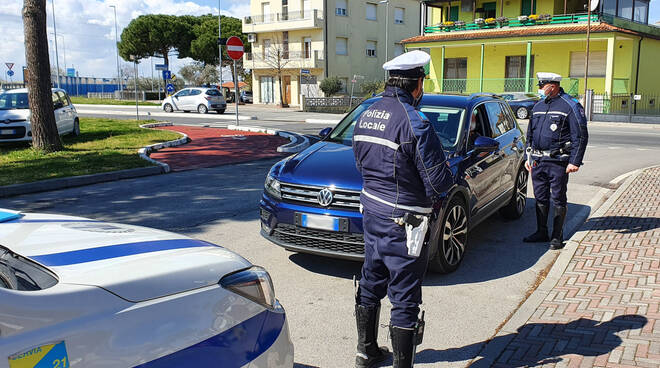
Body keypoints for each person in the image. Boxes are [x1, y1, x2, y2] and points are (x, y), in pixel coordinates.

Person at [351, 50, 453, 368]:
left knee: (371, 279)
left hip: (372, 214)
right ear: (416, 83)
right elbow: (440, 184)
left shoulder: (366, 113)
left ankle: (366, 352)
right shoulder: (415, 122)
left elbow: (360, 162)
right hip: (404, 222)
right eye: (423, 81)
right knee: (405, 294)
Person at [523, 72, 589, 250]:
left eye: (541, 86)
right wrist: (527, 156)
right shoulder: (538, 106)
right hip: (537, 161)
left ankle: (556, 236)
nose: (539, 89)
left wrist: (574, 161)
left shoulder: (570, 105)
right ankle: (541, 231)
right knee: (540, 197)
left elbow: (580, 136)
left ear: (552, 86)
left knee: (558, 198)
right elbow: (530, 134)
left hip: (558, 161)